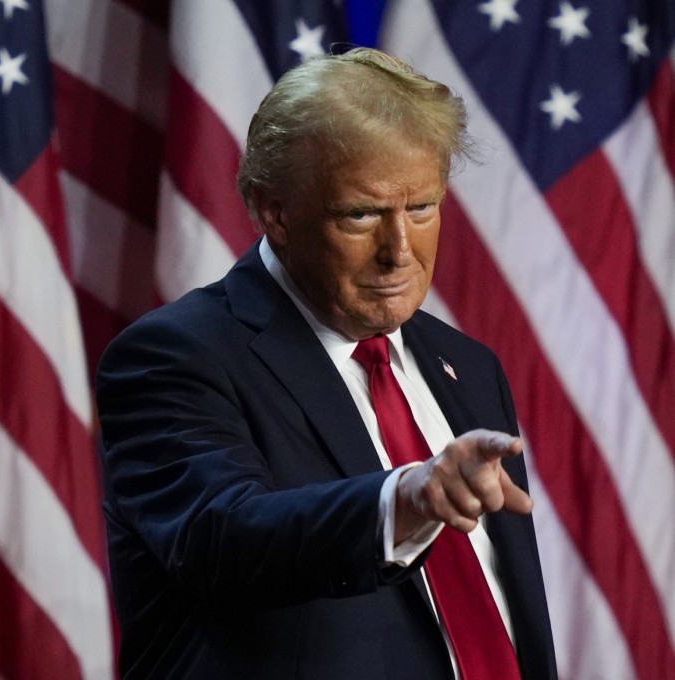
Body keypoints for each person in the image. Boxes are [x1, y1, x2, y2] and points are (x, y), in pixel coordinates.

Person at [96, 48, 557, 679]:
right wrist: (406, 498)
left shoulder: (468, 367)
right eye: (361, 214)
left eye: (421, 207)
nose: (399, 251)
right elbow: (225, 538)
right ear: (274, 212)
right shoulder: (175, 356)